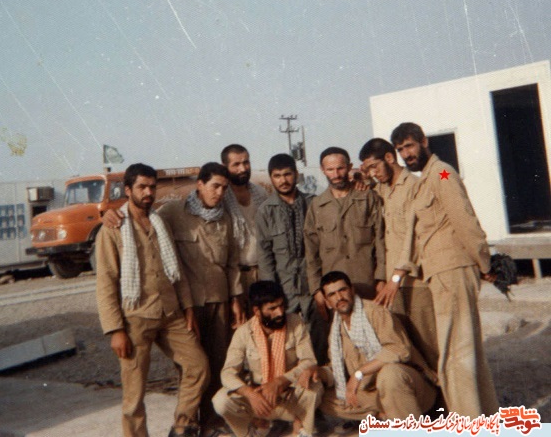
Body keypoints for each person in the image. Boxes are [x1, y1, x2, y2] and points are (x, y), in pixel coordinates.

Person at [391, 122, 499, 418]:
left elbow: (465, 220)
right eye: (401, 150)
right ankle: (484, 417)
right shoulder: (424, 180)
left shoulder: (441, 173)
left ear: (424, 142)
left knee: (455, 353)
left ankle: (469, 422)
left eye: (410, 146)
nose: (406, 154)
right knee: (464, 349)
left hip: (451, 270)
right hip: (441, 272)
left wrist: (485, 262)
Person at [95, 163, 209, 437]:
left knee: (198, 366)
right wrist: (115, 330)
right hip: (135, 318)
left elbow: (176, 270)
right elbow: (106, 283)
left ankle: (181, 427)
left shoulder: (160, 222)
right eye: (141, 187)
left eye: (152, 187)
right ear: (127, 190)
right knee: (134, 395)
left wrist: (188, 308)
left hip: (171, 314)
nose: (148, 192)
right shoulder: (113, 228)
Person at [158, 162, 246, 434]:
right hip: (189, 304)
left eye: (224, 188)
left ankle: (210, 422)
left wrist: (235, 298)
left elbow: (232, 263)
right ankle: (187, 423)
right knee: (193, 366)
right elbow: (145, 223)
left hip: (219, 300)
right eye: (214, 186)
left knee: (218, 362)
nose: (219, 193)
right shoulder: (173, 212)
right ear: (199, 184)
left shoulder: (226, 218)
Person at [299, 271, 437, 422]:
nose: (339, 297)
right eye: (332, 294)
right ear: (327, 302)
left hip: (409, 388)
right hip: (373, 393)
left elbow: (400, 350)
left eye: (342, 290)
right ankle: (382, 415)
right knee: (321, 395)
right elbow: (336, 369)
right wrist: (318, 372)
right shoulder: (336, 330)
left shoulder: (375, 312)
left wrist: (359, 373)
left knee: (389, 374)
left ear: (352, 290)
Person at [359, 138, 438, 371]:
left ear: (389, 158)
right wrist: (364, 179)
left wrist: (395, 278)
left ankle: (446, 394)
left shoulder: (415, 186)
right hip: (393, 285)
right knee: (409, 350)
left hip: (415, 281)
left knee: (430, 346)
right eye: (368, 169)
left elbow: (415, 238)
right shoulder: (382, 188)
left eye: (375, 167)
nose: (373, 173)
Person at [212, 281, 323, 437]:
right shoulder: (243, 332)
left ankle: (301, 428)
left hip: (289, 397)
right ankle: (251, 431)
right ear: (257, 311)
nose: (280, 313)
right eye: (272, 308)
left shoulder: (295, 323)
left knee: (314, 387)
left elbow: (309, 361)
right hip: (259, 402)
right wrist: (250, 394)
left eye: (281, 306)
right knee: (220, 401)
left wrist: (280, 381)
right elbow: (227, 373)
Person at [255, 153, 329, 365]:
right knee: (285, 341)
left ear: (296, 175)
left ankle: (320, 376)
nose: (283, 180)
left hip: (312, 285)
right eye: (277, 176)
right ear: (271, 178)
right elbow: (265, 255)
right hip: (284, 288)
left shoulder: (312, 203)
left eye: (287, 174)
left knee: (319, 337)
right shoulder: (265, 211)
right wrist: (271, 294)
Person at [304, 146, 386, 317]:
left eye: (340, 168)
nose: (336, 174)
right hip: (334, 291)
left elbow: (380, 239)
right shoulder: (317, 206)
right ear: (322, 170)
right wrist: (316, 289)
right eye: (330, 169)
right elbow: (311, 253)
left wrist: (381, 278)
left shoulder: (367, 198)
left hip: (367, 284)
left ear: (349, 167)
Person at [220, 144, 268, 310]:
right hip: (235, 276)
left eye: (246, 162)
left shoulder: (260, 194)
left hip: (262, 271)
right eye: (236, 164)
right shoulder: (221, 198)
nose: (243, 168)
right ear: (225, 167)